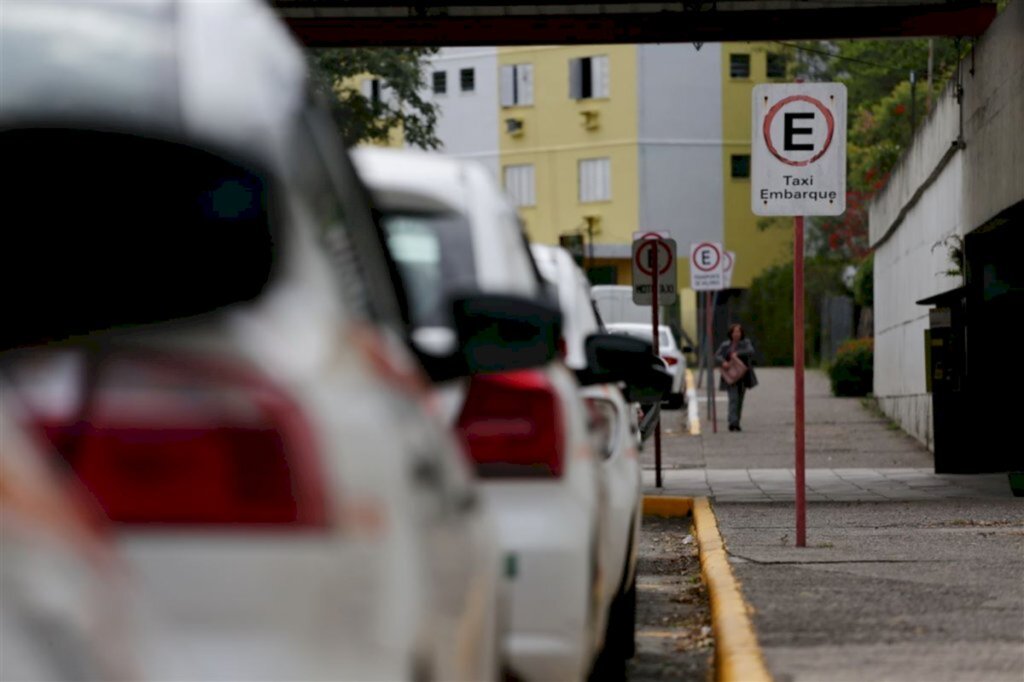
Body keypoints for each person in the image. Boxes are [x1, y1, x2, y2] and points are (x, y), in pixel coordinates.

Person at [716, 323, 758, 432]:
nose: (736, 334)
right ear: (731, 333)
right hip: (731, 376)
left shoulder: (745, 343)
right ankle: (732, 422)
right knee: (733, 399)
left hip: (743, 376)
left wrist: (738, 353)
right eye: (734, 332)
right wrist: (723, 362)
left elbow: (751, 351)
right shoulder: (725, 345)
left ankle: (736, 421)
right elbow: (717, 355)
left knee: (739, 400)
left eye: (738, 332)